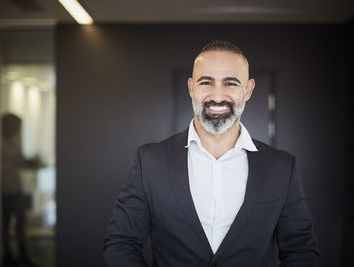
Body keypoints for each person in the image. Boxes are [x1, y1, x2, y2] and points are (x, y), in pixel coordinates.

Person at [103, 40, 319, 267]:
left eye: (230, 83)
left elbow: (301, 250)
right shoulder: (149, 161)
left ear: (248, 90)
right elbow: (121, 243)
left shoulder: (281, 167)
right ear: (191, 87)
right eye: (206, 82)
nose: (217, 96)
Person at [1, 113, 37, 267]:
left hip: (17, 188)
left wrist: (29, 163)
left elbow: (20, 160)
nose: (17, 130)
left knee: (21, 225)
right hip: (5, 191)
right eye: (16, 127)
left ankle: (23, 258)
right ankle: (8, 258)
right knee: (4, 226)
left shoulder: (14, 142)